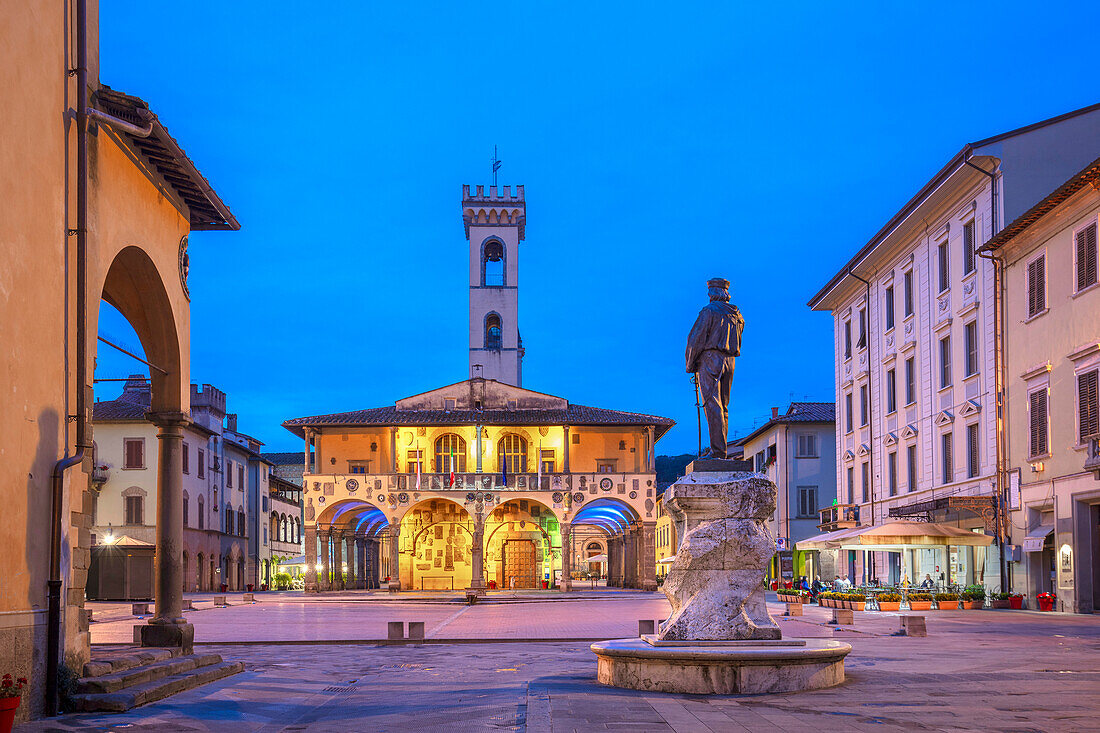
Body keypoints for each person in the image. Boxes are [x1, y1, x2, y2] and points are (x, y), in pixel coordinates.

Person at [685, 278, 745, 458]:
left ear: (713, 293)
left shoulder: (708, 312)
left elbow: (695, 340)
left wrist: (691, 364)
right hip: (730, 361)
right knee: (723, 406)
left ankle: (718, 452)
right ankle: (720, 450)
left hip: (711, 359)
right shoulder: (737, 315)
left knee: (712, 404)